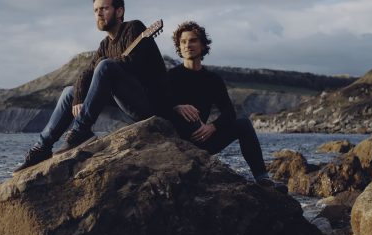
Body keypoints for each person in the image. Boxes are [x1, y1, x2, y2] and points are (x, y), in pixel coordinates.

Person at [14, 0, 169, 172]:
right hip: (122, 109)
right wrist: (78, 98)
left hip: (146, 106)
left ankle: (80, 131)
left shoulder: (134, 28)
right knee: (69, 92)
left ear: (119, 12)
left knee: (105, 66)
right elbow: (86, 74)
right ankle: (41, 148)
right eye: (95, 10)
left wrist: (107, 64)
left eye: (104, 8)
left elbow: (134, 65)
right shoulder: (105, 44)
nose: (99, 14)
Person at [168, 21, 273, 186]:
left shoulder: (213, 80)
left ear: (203, 45)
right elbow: (156, 107)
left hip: (202, 139)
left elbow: (229, 112)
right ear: (179, 47)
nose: (188, 45)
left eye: (193, 40)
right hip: (177, 141)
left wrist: (213, 127)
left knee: (244, 124)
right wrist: (176, 107)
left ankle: (263, 179)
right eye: (183, 42)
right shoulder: (171, 76)